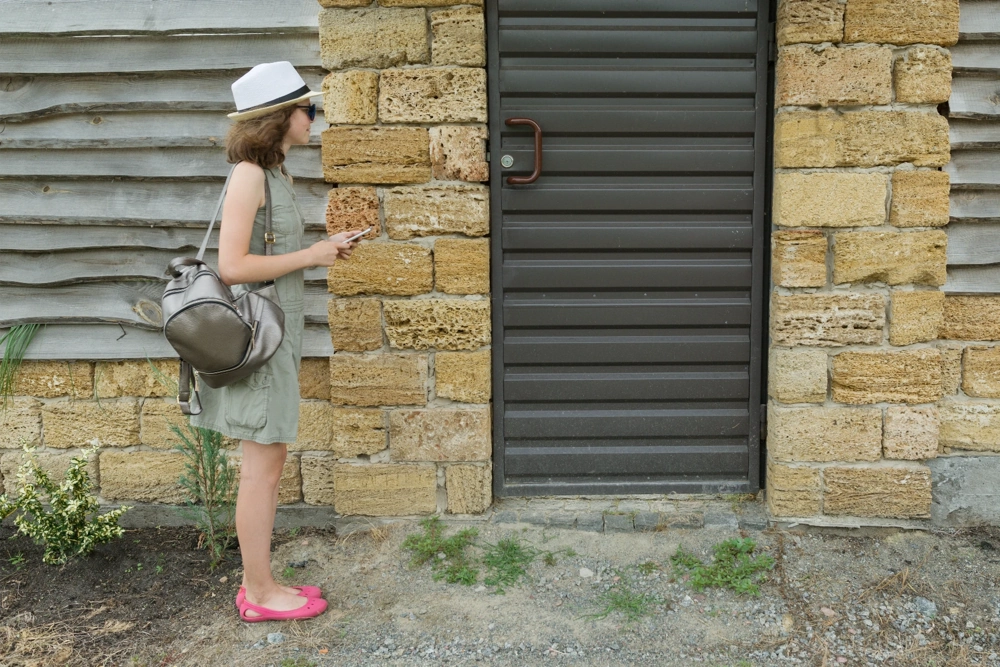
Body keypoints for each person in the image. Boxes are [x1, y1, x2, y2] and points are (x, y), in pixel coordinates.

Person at [189, 61, 364, 622]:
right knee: (260, 468)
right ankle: (259, 595)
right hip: (260, 337)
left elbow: (269, 257)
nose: (313, 118)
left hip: (278, 331)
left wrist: (325, 246)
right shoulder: (249, 175)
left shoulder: (275, 174)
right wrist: (314, 255)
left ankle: (260, 581)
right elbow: (233, 265)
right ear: (277, 119)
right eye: (307, 109)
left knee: (269, 461)